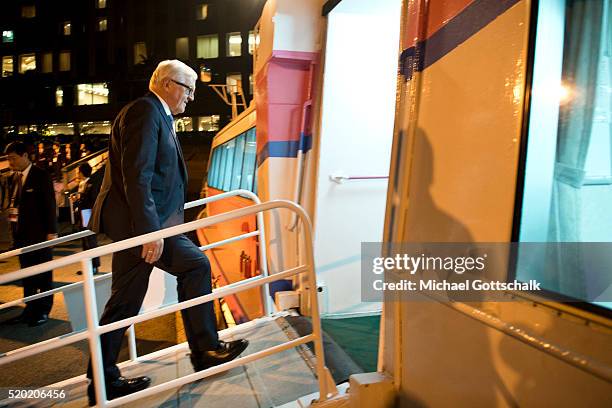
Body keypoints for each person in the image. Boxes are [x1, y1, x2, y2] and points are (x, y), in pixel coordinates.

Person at [86, 60, 248, 405]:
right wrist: (150, 233)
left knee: (141, 293)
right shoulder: (146, 112)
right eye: (188, 89)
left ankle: (202, 350)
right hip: (143, 228)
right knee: (130, 300)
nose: (190, 98)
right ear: (167, 84)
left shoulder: (155, 114)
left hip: (154, 225)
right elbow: (138, 176)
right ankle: (106, 379)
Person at [3, 141, 58, 327]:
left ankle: (43, 310)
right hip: (21, 236)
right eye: (8, 158)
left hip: (40, 235)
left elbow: (50, 204)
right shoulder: (13, 178)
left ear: (25, 156)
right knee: (27, 275)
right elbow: (14, 206)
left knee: (43, 274)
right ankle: (30, 309)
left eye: (13, 158)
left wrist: (52, 232)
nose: (10, 162)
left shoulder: (41, 176)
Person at [74, 162, 101, 274]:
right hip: (83, 214)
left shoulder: (91, 183)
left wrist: (80, 200)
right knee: (84, 241)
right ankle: (88, 266)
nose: (77, 173)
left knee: (90, 240)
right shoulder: (81, 184)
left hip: (88, 214)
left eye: (78, 171)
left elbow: (92, 200)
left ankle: (94, 265)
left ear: (81, 172)